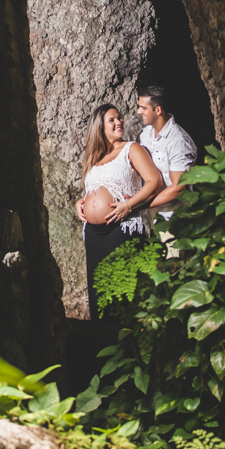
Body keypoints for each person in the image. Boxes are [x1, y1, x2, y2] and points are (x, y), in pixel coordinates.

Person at [76, 104, 162, 319]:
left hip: (122, 228)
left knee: (124, 294)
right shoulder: (95, 157)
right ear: (99, 127)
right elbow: (94, 189)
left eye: (119, 118)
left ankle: (128, 347)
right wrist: (82, 202)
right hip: (95, 234)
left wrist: (129, 205)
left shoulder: (131, 148)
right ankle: (102, 344)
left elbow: (154, 182)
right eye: (112, 120)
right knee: (100, 293)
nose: (119, 122)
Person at [136, 85, 197, 225]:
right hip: (150, 218)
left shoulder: (178, 141)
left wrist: (140, 204)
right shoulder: (144, 135)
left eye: (143, 108)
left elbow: (178, 188)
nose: (139, 112)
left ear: (158, 110)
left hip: (174, 219)